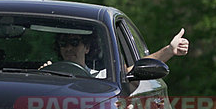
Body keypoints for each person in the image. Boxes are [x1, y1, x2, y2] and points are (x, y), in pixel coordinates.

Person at [45, 28, 190, 75]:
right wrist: (44, 74)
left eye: (74, 43)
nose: (69, 48)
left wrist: (169, 50)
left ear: (87, 48)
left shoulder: (101, 78)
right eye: (63, 43)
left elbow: (134, 70)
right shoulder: (48, 74)